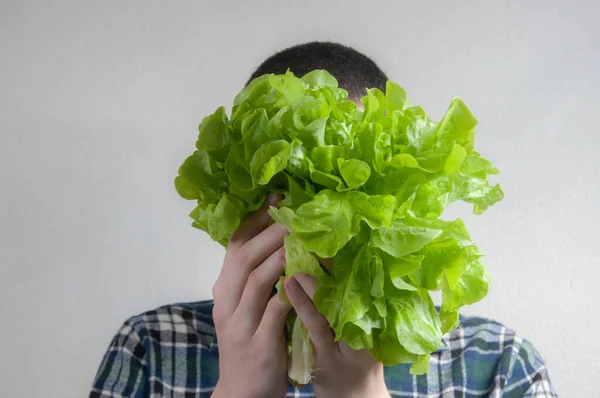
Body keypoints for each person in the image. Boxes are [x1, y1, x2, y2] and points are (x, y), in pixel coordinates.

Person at [90, 42, 556, 398]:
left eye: (348, 198)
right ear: (239, 210)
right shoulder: (151, 351)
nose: (316, 233)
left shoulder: (496, 366)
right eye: (291, 197)